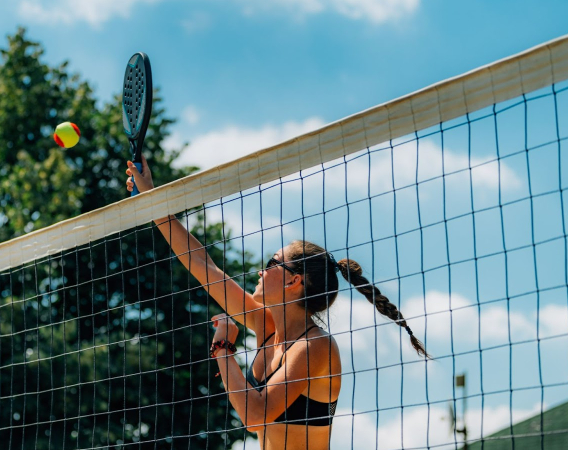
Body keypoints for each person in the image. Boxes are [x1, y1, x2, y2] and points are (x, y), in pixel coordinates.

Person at [126, 156, 428, 450]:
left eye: (273, 262)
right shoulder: (266, 325)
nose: (261, 269)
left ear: (293, 281)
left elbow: (255, 417)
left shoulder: (315, 347)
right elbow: (202, 264)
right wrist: (154, 201)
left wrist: (223, 350)